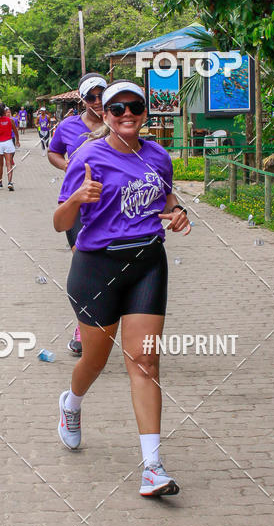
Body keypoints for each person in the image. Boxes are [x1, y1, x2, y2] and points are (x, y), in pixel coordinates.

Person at [54, 80, 191, 498]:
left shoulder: (158, 156)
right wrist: (77, 198)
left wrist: (178, 212)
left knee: (146, 363)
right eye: (118, 108)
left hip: (148, 264)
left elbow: (163, 201)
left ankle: (153, 467)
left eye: (135, 107)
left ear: (145, 111)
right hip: (97, 268)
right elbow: (60, 223)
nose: (127, 114)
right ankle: (71, 405)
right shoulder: (87, 156)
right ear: (105, 113)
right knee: (95, 360)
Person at [48, 72, 107, 356]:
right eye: (91, 96)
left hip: (111, 207)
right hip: (77, 206)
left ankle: (107, 320)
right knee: (85, 266)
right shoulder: (68, 127)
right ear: (82, 99)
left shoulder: (119, 122)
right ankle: (84, 326)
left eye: (101, 95)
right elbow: (53, 152)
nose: (97, 101)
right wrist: (67, 166)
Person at [0, 103, 20, 190]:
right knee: (9, 163)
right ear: (4, 111)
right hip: (8, 143)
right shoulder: (10, 120)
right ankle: (10, 182)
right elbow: (15, 131)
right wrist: (17, 141)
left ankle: (0, 183)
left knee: (0, 164)